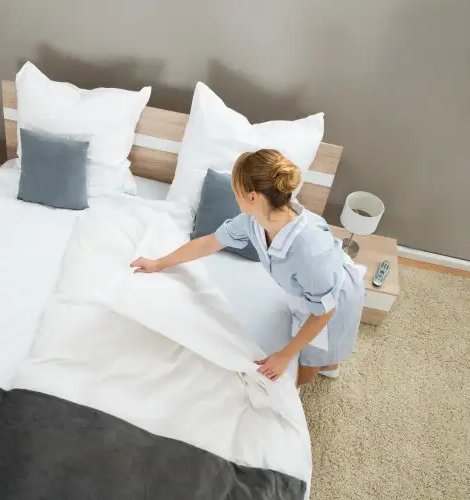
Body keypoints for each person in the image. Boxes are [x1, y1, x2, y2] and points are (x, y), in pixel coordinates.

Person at [130, 149, 365, 387]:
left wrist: (284, 355)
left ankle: (327, 367)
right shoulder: (252, 222)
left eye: (236, 192)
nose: (235, 197)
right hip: (308, 289)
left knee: (312, 360)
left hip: (335, 298)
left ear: (252, 197)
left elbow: (324, 312)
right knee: (314, 343)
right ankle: (328, 360)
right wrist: (159, 263)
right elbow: (210, 243)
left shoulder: (311, 248)